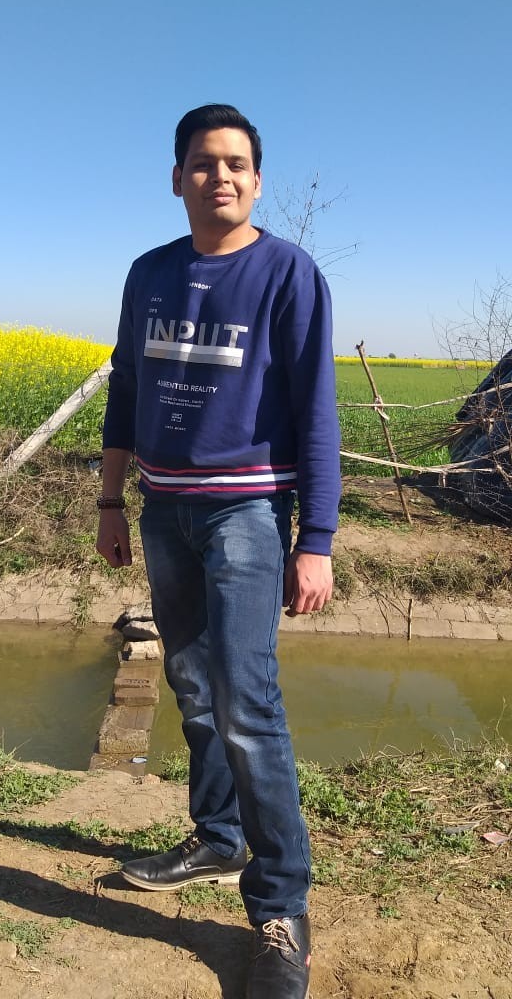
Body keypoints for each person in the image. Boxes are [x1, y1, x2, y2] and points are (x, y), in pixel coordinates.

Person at [96, 103, 341, 999]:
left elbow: (316, 410)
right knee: (193, 686)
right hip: (163, 510)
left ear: (258, 181)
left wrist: (316, 540)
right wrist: (110, 501)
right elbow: (127, 389)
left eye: (237, 163)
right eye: (204, 163)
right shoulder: (150, 273)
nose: (221, 177)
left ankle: (281, 910)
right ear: (178, 178)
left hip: (247, 513)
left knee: (247, 704)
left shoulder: (288, 273)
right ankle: (218, 836)